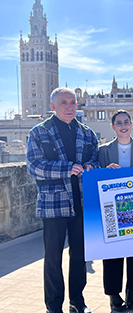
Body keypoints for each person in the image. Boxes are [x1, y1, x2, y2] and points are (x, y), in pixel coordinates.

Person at [26, 87, 99, 313]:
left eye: (73, 102)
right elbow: (34, 166)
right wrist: (67, 168)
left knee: (80, 256)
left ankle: (77, 301)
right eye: (64, 102)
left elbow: (95, 161)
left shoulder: (88, 133)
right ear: (53, 106)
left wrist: (90, 167)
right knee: (53, 258)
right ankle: (54, 306)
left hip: (81, 204)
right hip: (53, 204)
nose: (70, 106)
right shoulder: (39, 132)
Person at [98, 110, 133, 313]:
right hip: (112, 210)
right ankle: (113, 295)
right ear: (113, 127)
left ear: (132, 124)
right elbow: (98, 177)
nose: (123, 126)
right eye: (119, 123)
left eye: (127, 122)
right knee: (112, 253)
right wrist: (106, 171)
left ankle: (132, 293)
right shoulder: (103, 151)